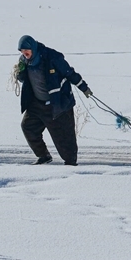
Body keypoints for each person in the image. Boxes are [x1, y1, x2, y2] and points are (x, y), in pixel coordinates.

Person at [15, 35, 92, 165]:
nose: (24, 54)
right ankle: (44, 156)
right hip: (37, 104)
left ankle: (71, 164)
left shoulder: (51, 57)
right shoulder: (24, 61)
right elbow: (24, 80)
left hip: (57, 104)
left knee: (64, 138)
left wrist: (84, 87)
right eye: (22, 51)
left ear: (33, 47)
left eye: (26, 50)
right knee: (28, 127)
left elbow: (69, 73)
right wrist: (20, 73)